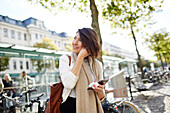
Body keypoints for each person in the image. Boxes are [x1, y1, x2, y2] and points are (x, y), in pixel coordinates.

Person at [59, 28, 105, 113]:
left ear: (89, 43)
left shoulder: (97, 65)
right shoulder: (66, 59)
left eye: (80, 40)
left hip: (92, 107)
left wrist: (101, 91)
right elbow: (68, 84)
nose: (74, 42)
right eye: (74, 38)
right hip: (70, 107)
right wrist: (80, 57)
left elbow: (100, 98)